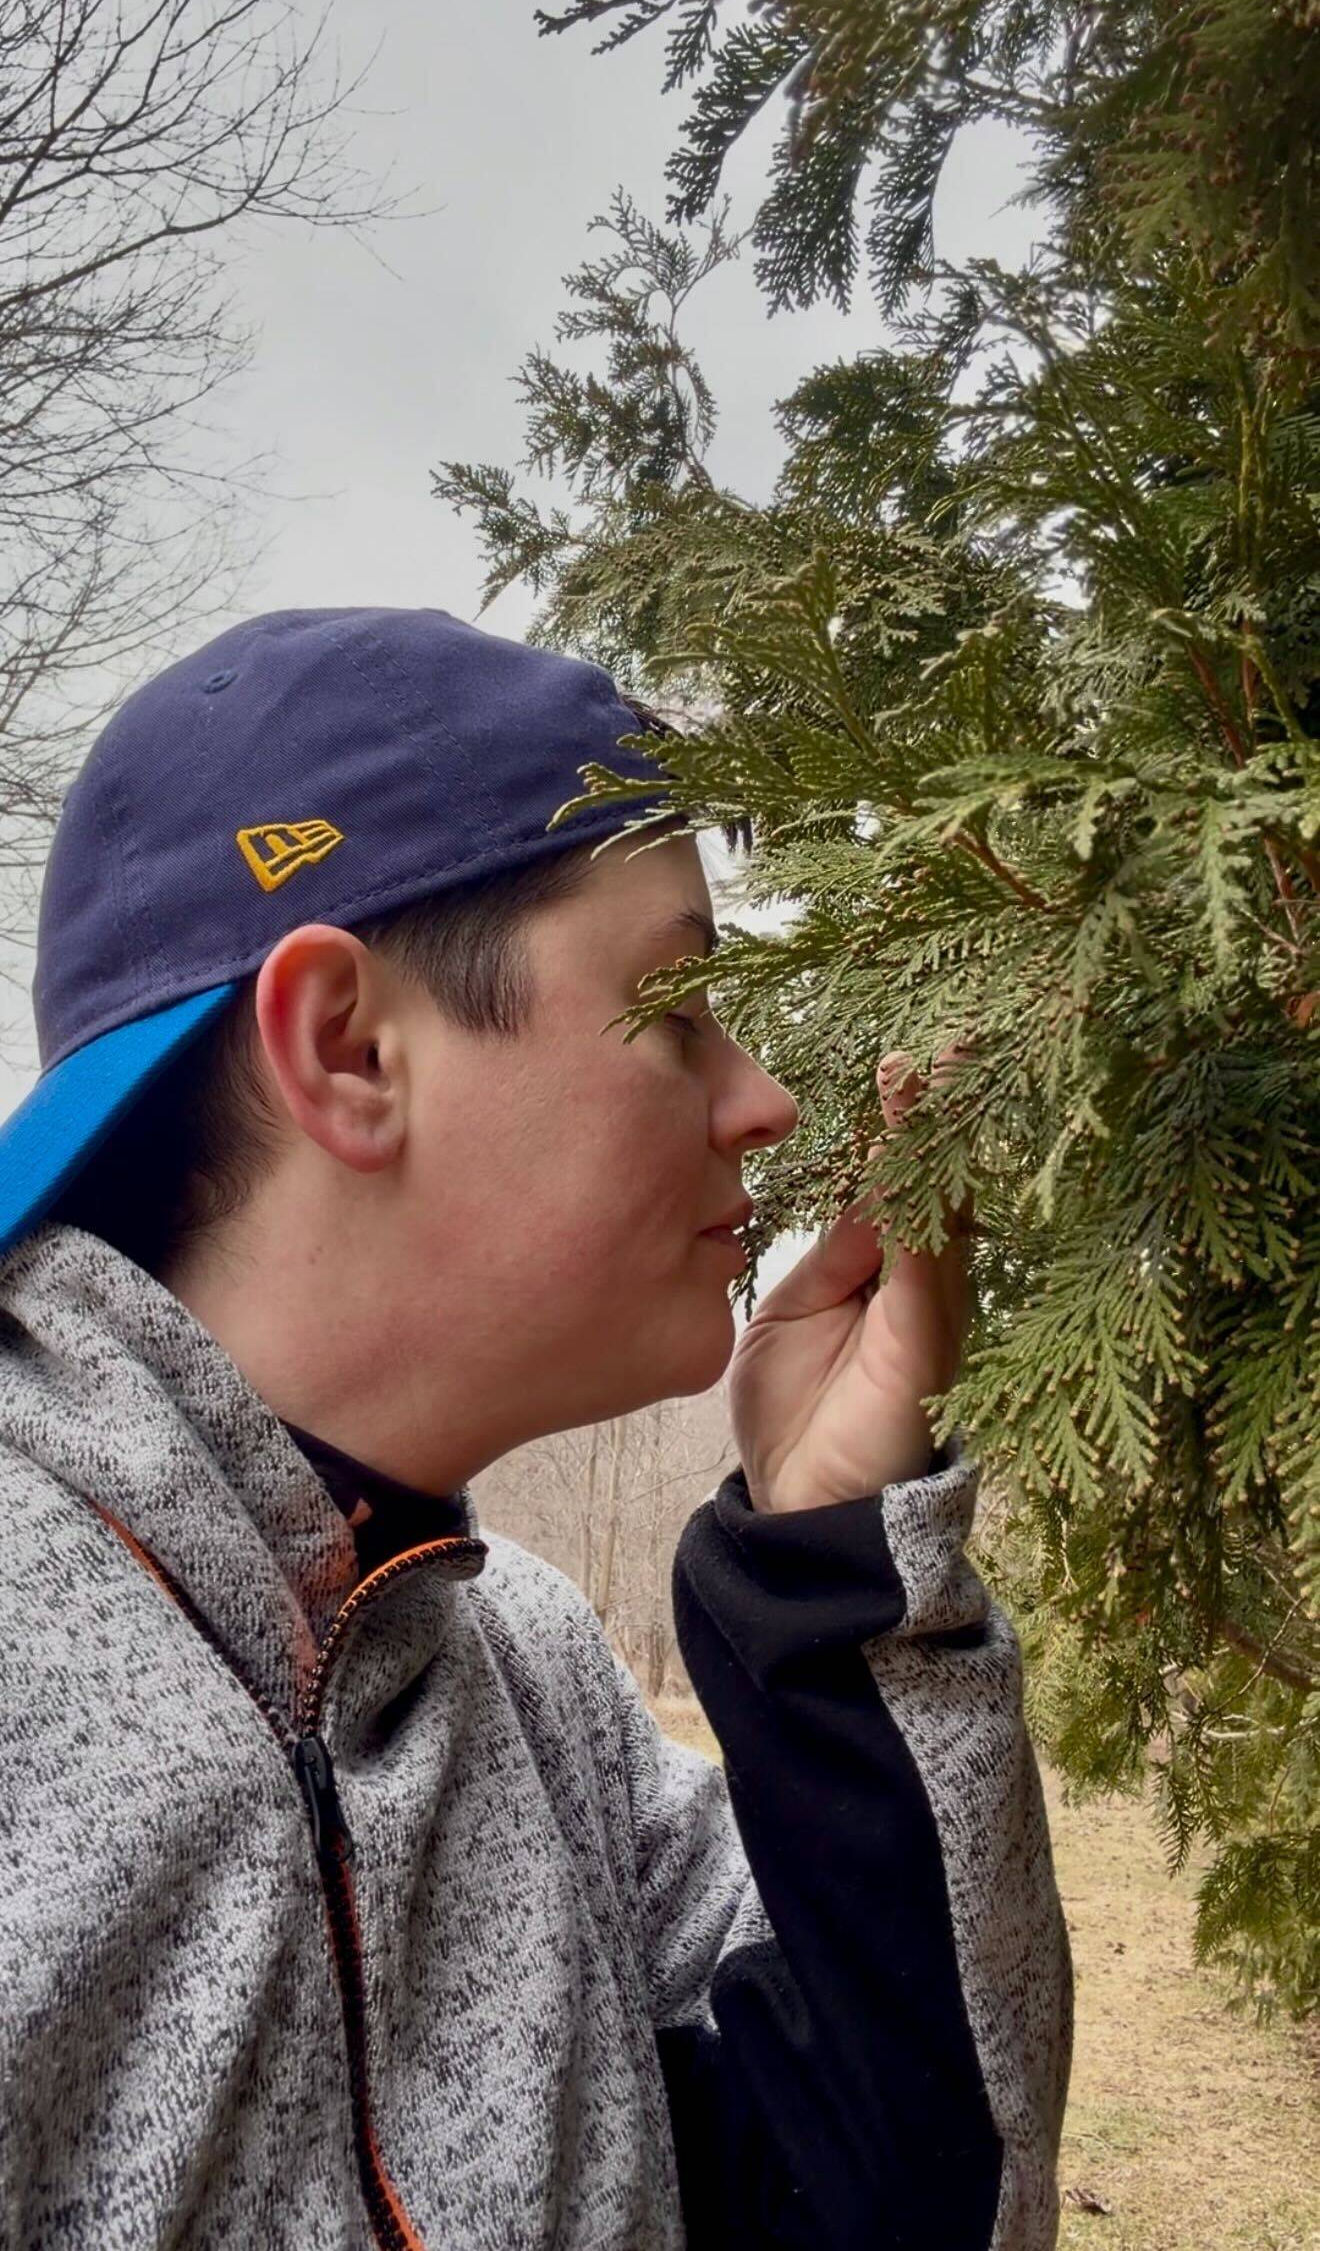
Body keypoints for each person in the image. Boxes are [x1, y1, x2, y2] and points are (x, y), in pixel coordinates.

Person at [0, 607, 1071, 2250]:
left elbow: (908, 2204)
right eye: (681, 1004)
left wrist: (835, 1588)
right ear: (351, 1050)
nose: (765, 1101)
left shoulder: (533, 1674)